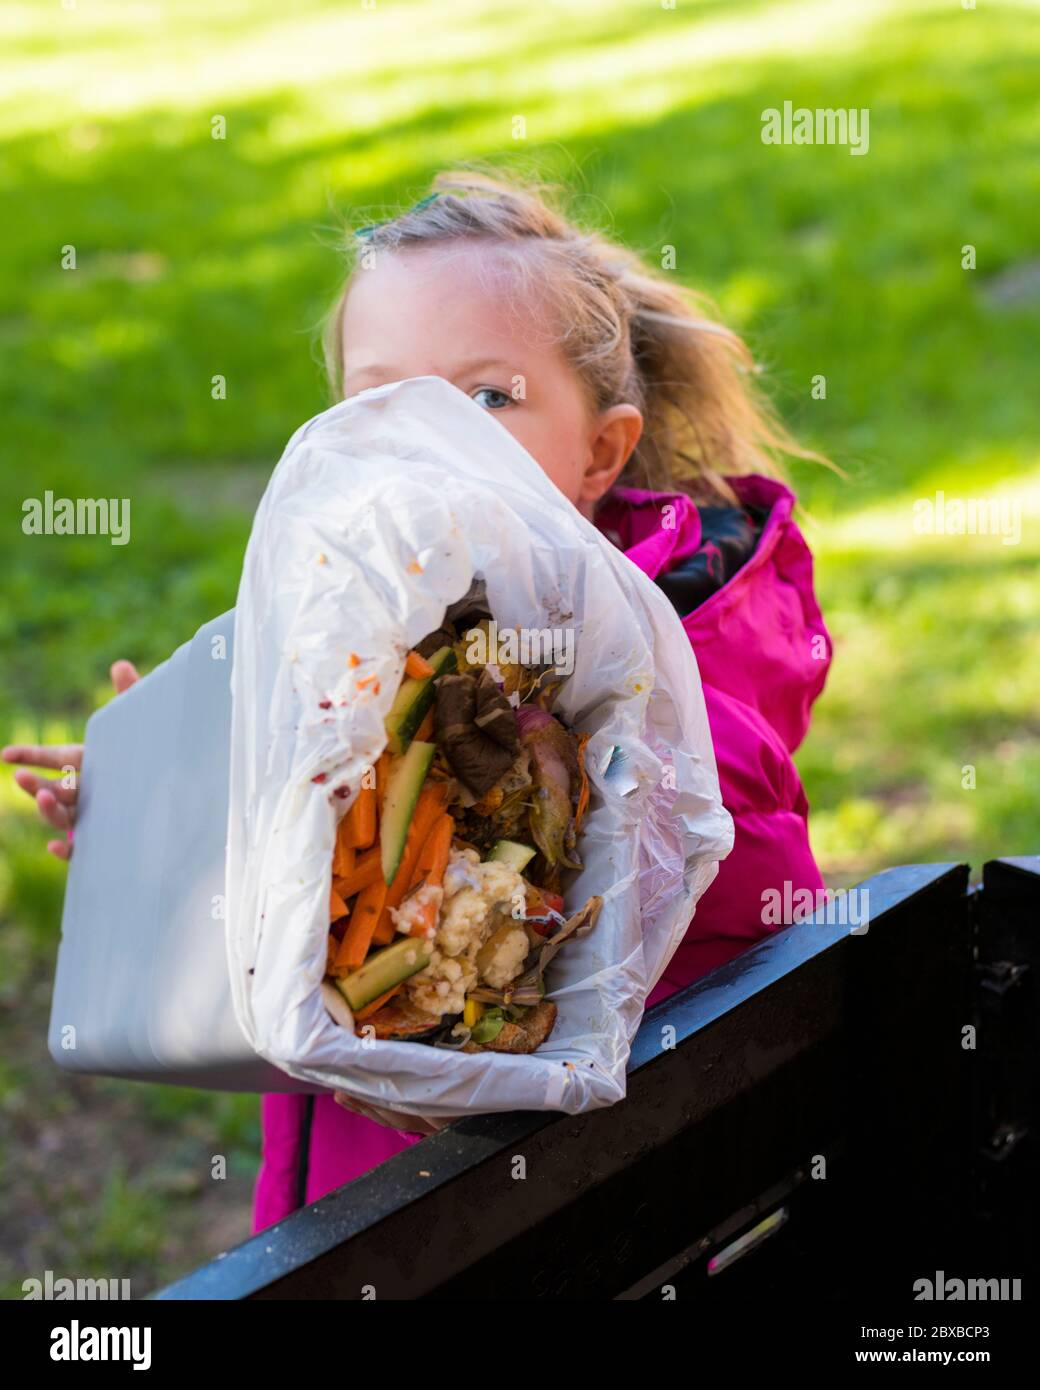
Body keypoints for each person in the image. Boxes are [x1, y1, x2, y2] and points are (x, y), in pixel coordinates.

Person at [3, 167, 832, 1236]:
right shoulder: (369, 637)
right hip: (347, 1221)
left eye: (485, 399)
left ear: (601, 450)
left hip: (530, 1234)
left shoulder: (663, 726)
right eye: (377, 400)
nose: (422, 444)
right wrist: (167, 806)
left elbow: (686, 1027)